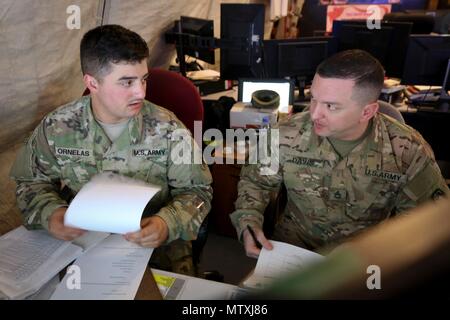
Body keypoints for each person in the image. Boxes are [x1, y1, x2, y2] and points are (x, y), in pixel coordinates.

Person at [10, 25, 213, 276]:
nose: (140, 91)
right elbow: (31, 182)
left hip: (154, 245)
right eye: (127, 82)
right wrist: (51, 212)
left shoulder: (169, 128)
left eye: (144, 79)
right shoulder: (57, 126)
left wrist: (167, 223)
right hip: (81, 242)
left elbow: (197, 191)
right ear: (92, 82)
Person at [230, 49, 449, 258]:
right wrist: (248, 220)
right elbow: (256, 182)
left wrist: (377, 248)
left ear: (367, 111)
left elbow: (428, 218)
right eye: (313, 98)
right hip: (294, 247)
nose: (314, 113)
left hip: (370, 255)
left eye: (331, 106)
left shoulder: (407, 150)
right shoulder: (285, 133)